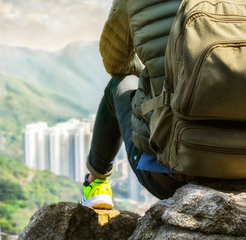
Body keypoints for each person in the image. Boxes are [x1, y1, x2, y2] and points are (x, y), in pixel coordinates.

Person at [79, 0, 186, 209]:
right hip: (239, 169)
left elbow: (117, 63)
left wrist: (154, 70)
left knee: (119, 84)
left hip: (168, 177)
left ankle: (96, 183)